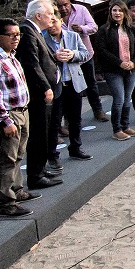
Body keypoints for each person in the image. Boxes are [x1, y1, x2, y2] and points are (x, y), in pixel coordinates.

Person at [0, 19, 43, 217]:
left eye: (18, 35)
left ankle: (17, 189)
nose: (16, 39)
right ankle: (6, 202)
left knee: (19, 153)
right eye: (11, 35)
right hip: (9, 114)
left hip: (22, 110)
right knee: (7, 157)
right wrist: (5, 121)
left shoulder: (10, 56)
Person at [16, 0, 63, 187]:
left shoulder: (36, 31)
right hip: (38, 93)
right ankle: (35, 175)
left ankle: (41, 169)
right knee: (38, 134)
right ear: (38, 15)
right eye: (50, 13)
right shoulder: (27, 31)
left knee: (45, 132)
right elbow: (31, 63)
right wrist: (45, 86)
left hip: (46, 90)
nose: (53, 17)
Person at [44, 10, 92, 163]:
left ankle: (75, 148)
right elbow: (39, 61)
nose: (52, 26)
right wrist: (54, 57)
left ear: (61, 21)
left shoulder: (73, 36)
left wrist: (73, 55)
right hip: (55, 86)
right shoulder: (42, 39)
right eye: (49, 23)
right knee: (54, 121)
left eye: (55, 22)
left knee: (75, 118)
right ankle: (52, 154)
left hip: (73, 83)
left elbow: (86, 54)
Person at [54, 0, 109, 123]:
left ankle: (98, 110)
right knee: (69, 88)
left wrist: (82, 29)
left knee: (91, 84)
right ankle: (68, 119)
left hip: (84, 55)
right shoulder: (53, 17)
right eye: (59, 6)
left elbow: (94, 27)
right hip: (66, 59)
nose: (63, 8)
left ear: (70, 3)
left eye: (65, 5)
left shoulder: (81, 10)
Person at [94, 0, 135, 140]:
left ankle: (126, 126)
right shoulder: (104, 30)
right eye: (114, 10)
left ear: (124, 12)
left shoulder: (132, 28)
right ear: (110, 13)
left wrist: (133, 62)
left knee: (128, 99)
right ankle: (117, 129)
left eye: (120, 10)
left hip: (131, 69)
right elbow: (102, 51)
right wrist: (120, 63)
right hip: (113, 70)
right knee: (119, 99)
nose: (117, 13)